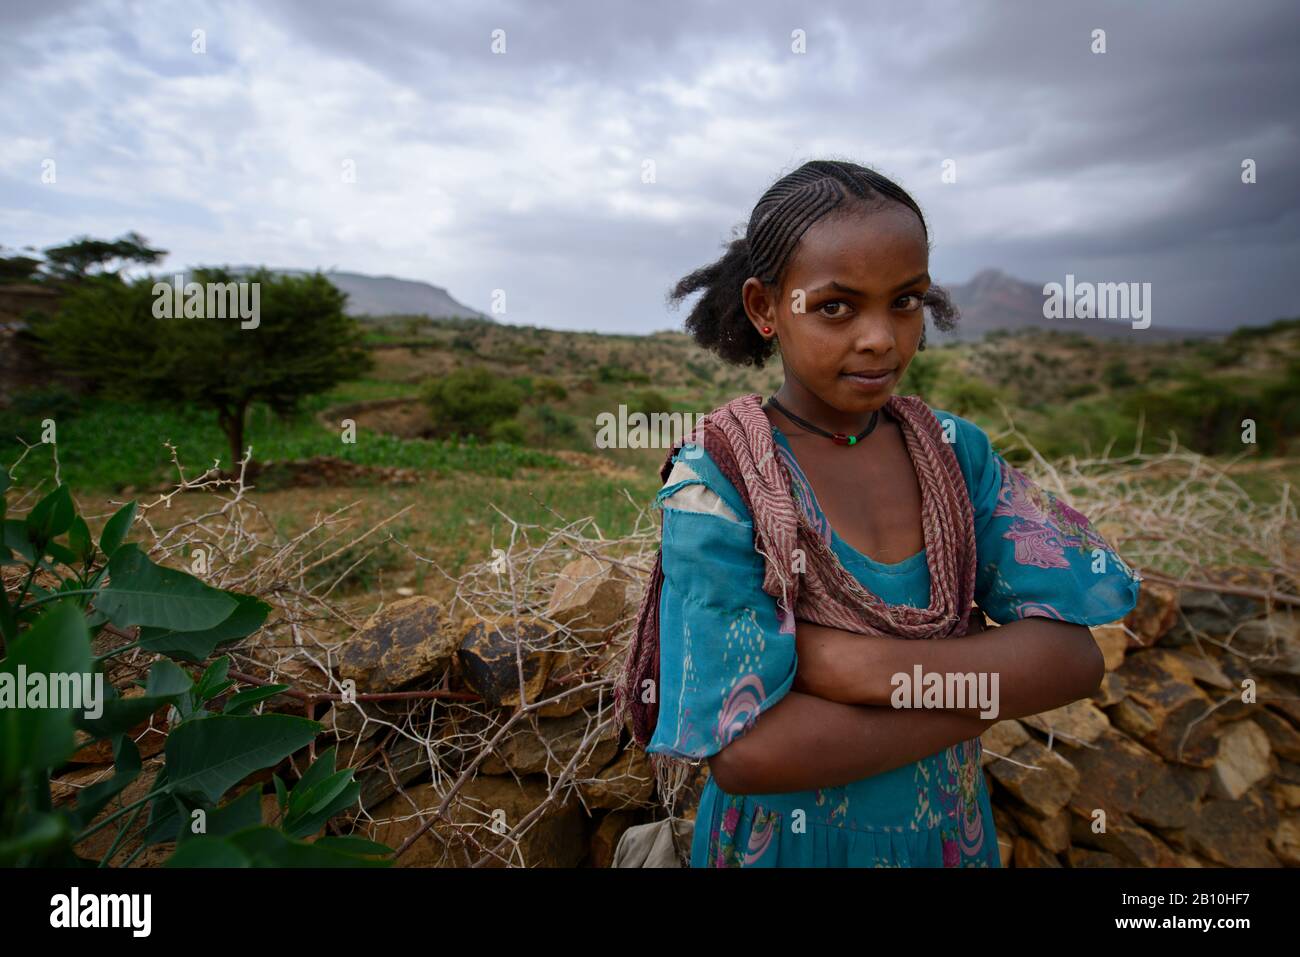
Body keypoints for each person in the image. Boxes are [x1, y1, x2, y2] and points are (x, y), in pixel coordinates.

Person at [613, 159, 1142, 868]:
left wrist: (865, 670)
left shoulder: (955, 456)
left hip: (948, 844)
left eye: (905, 301)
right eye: (836, 306)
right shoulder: (719, 480)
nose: (881, 338)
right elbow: (747, 751)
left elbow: (1072, 657)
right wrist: (982, 689)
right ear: (766, 308)